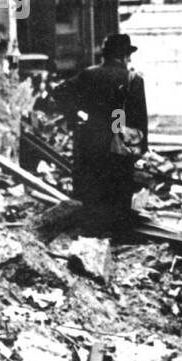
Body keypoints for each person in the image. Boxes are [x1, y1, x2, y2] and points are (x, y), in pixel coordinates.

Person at [47, 33, 148, 230]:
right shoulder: (133, 79)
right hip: (118, 139)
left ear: (105, 55)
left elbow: (59, 93)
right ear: (126, 56)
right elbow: (139, 119)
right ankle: (117, 232)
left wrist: (76, 115)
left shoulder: (89, 74)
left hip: (90, 138)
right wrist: (141, 148)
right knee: (119, 188)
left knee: (92, 186)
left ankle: (91, 230)